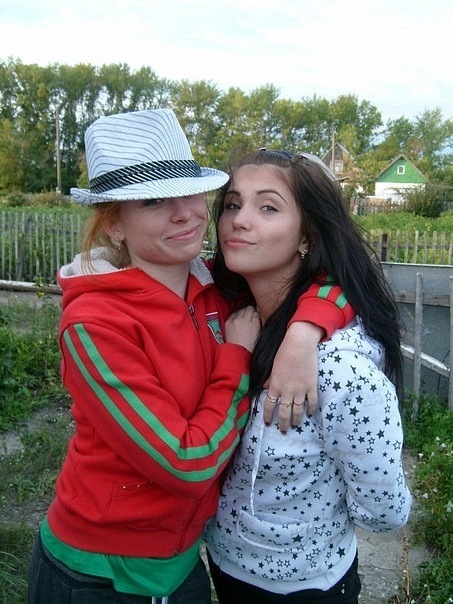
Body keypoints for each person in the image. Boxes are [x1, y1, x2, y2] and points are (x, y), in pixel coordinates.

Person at [28, 112, 354, 604]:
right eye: (154, 201)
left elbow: (332, 282)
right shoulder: (95, 325)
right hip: (100, 574)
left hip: (182, 566)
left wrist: (303, 334)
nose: (185, 213)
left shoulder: (211, 286)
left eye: (191, 193)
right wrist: (236, 358)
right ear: (114, 224)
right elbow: (188, 464)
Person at [205, 149, 413, 603]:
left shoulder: (340, 371)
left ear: (307, 236)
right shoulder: (231, 315)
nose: (238, 221)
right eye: (233, 204)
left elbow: (385, 512)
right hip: (221, 562)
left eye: (268, 207)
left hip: (302, 586)